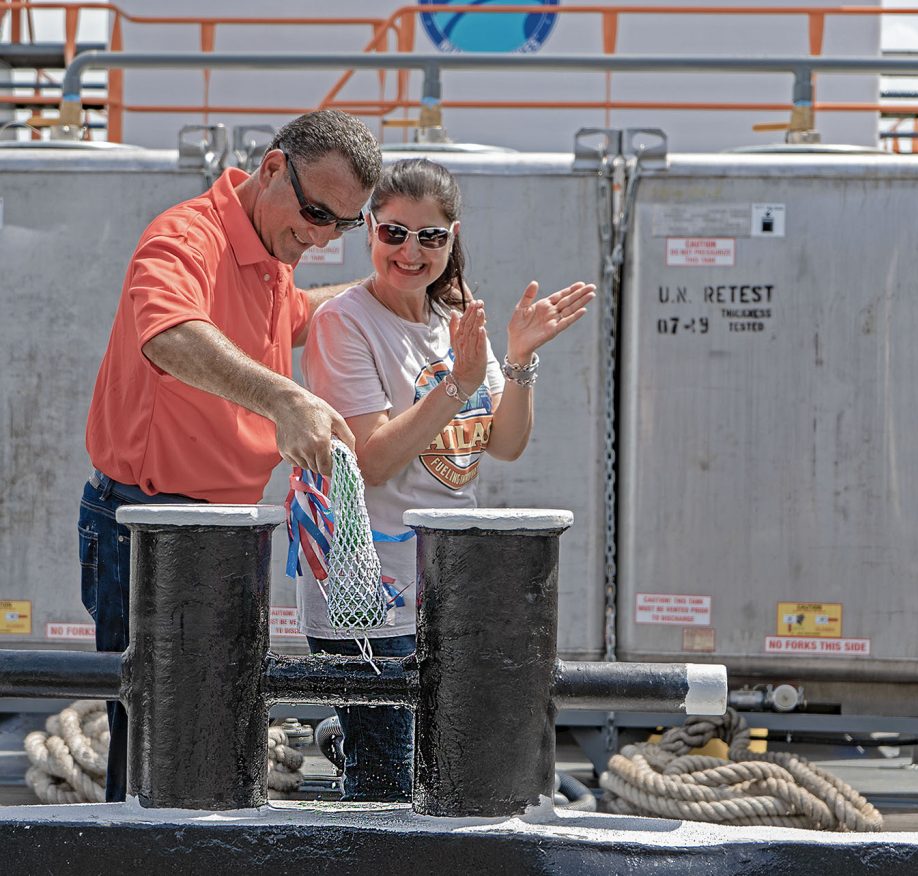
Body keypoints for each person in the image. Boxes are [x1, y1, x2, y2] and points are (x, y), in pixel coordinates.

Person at [79, 109, 382, 802]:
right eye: (314, 212)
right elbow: (170, 334)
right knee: (158, 744)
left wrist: (392, 291)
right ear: (272, 168)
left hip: (227, 530)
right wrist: (285, 400)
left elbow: (296, 314)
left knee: (214, 728)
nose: (320, 236)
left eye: (342, 225)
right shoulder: (186, 236)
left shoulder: (272, 251)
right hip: (150, 528)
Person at [298, 158, 595, 801]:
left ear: (452, 237)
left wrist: (518, 359)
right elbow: (372, 457)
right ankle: (354, 745)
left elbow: (506, 445)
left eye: (430, 236)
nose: (411, 251)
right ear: (369, 231)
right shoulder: (343, 323)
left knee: (440, 778)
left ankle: (350, 739)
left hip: (446, 590)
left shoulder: (453, 318)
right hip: (369, 595)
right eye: (394, 233)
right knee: (390, 791)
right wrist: (458, 383)